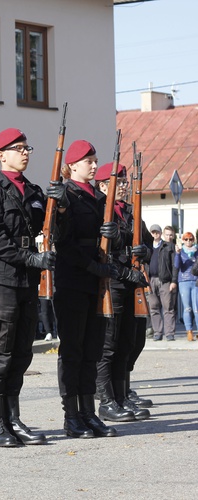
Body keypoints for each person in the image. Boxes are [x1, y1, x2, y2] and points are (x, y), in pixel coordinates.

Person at [0, 127, 63, 447]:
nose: (25, 152)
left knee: (22, 354)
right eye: (18, 148)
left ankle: (13, 419)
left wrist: (60, 203)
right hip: (2, 282)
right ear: (2, 155)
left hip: (27, 283)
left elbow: (50, 228)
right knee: (0, 353)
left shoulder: (36, 192)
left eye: (28, 148)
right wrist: (31, 258)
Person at [54, 140, 129, 439]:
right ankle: (71, 415)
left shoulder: (100, 199)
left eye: (95, 160)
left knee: (92, 350)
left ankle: (88, 412)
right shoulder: (67, 196)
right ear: (72, 165)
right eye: (88, 161)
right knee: (73, 350)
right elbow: (63, 242)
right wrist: (91, 267)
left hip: (96, 281)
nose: (95, 166)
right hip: (74, 278)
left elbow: (119, 240)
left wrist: (116, 234)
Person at [92, 163, 150, 423]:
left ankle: (122, 396)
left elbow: (147, 241)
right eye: (118, 181)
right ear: (103, 186)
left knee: (128, 341)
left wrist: (144, 252)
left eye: (125, 181)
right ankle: (106, 400)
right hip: (111, 281)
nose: (124, 185)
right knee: (109, 344)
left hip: (131, 280)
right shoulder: (99, 211)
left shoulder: (130, 211)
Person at [147, 224, 177, 341]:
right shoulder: (147, 247)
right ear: (151, 234)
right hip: (151, 280)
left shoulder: (168, 246)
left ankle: (169, 333)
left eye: (157, 232)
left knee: (168, 307)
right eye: (153, 232)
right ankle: (157, 333)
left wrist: (173, 281)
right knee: (153, 308)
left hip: (164, 280)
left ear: (161, 234)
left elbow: (174, 265)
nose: (155, 234)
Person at [175, 231, 197, 341]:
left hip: (196, 281)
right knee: (187, 308)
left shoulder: (197, 252)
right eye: (186, 239)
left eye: (191, 239)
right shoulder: (181, 251)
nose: (188, 241)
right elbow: (177, 265)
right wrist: (178, 254)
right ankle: (189, 331)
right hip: (184, 280)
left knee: (196, 308)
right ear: (183, 240)